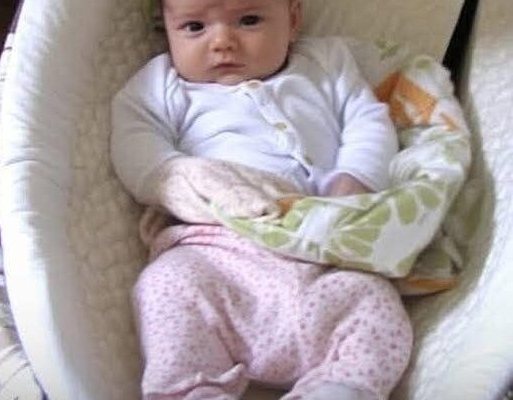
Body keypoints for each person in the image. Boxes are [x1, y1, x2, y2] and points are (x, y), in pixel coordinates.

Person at [111, 0, 413, 399]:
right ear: (166, 29)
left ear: (293, 18)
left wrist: (355, 177)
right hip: (216, 249)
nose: (222, 42)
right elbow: (137, 146)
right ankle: (192, 390)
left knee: (375, 305)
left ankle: (340, 387)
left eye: (249, 20)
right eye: (195, 27)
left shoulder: (325, 62)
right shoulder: (160, 86)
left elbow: (367, 120)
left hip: (321, 250)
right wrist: (185, 178)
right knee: (164, 285)